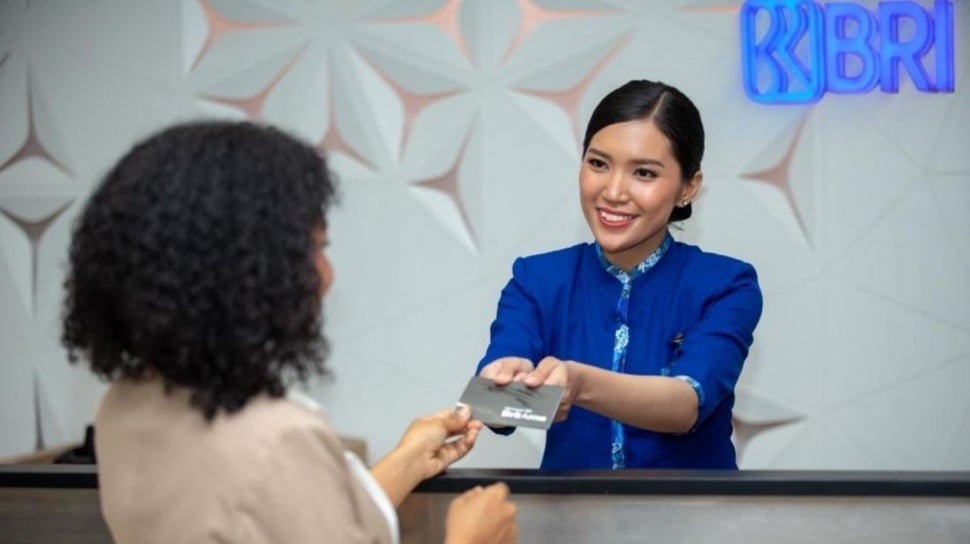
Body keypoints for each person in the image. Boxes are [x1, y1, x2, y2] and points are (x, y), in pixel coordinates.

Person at [62, 121, 516, 543]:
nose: (326, 274)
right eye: (313, 248)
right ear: (248, 267)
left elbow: (298, 522)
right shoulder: (279, 440)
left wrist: (408, 460)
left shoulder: (123, 404)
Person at [477, 79, 763, 470]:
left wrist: (578, 384)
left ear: (688, 187)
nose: (613, 192)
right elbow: (493, 411)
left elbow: (686, 406)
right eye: (598, 164)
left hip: (692, 509)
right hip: (569, 509)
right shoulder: (537, 280)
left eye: (643, 173)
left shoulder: (725, 285)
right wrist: (507, 388)